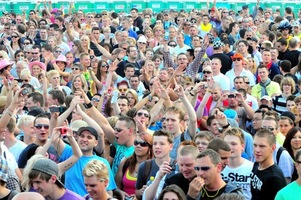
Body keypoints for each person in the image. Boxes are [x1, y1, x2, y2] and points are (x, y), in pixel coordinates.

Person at [251, 128, 287, 199]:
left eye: (262, 146)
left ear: (273, 148)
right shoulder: (256, 164)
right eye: (255, 145)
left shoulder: (274, 178)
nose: (257, 150)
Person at [222, 128, 253, 200]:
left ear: (242, 146)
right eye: (226, 144)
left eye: (233, 144)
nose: (229, 147)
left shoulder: (252, 168)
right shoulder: (218, 168)